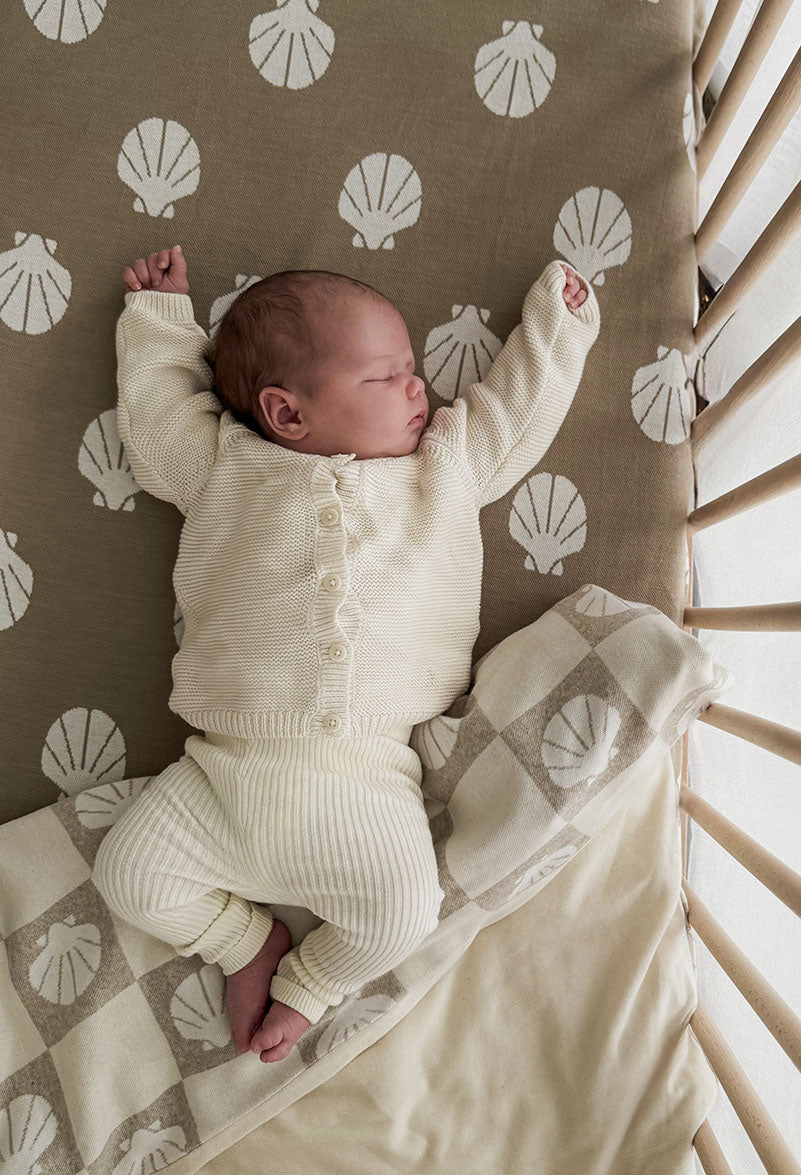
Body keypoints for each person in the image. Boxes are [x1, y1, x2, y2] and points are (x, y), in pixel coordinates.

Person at [92, 244, 600, 1063]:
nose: (418, 387)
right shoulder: (226, 463)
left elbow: (513, 419)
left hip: (368, 783)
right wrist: (158, 322)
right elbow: (153, 430)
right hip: (221, 776)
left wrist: (561, 323)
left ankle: (304, 983)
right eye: (387, 376)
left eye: (411, 371)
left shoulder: (443, 466)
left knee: (405, 910)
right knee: (129, 874)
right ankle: (243, 941)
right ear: (286, 413)